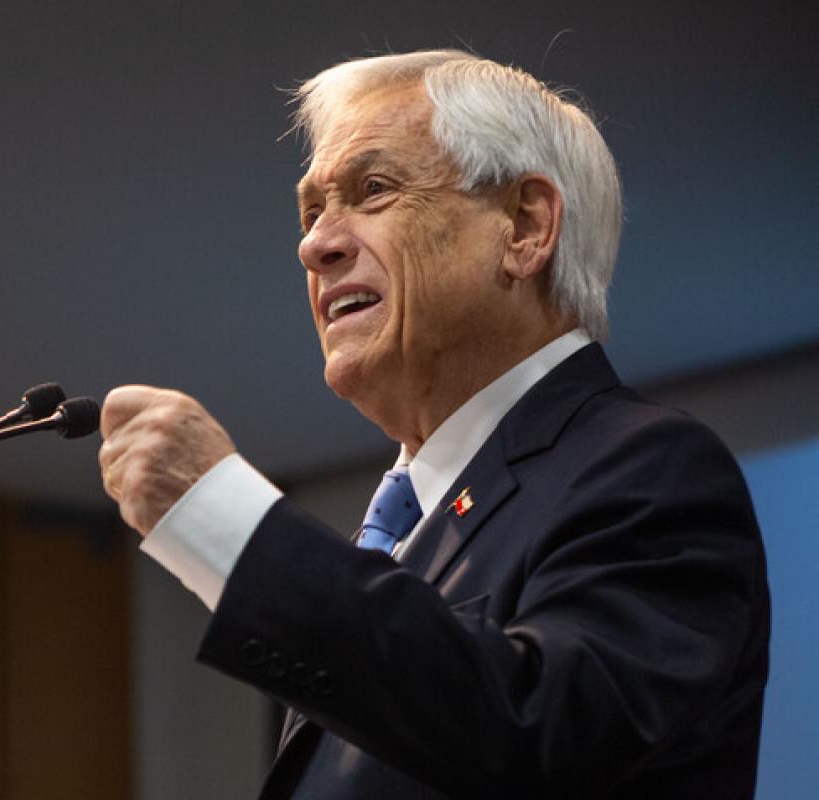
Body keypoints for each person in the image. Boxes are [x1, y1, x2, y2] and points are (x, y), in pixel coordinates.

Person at [97, 50, 769, 799]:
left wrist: (226, 524)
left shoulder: (650, 469)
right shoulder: (402, 527)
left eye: (373, 190)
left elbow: (535, 732)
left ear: (524, 227)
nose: (314, 244)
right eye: (312, 211)